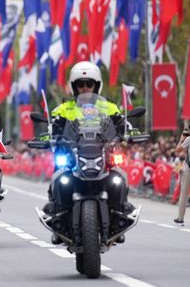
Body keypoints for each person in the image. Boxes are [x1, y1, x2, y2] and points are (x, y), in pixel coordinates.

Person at [43, 61, 134, 238]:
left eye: (89, 84)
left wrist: (130, 133)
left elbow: (122, 125)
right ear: (74, 86)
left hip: (102, 153)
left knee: (120, 176)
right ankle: (57, 214)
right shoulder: (64, 108)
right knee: (57, 176)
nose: (85, 88)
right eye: (80, 84)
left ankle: (120, 212)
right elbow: (52, 128)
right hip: (73, 155)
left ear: (96, 85)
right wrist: (48, 136)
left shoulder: (109, 106)